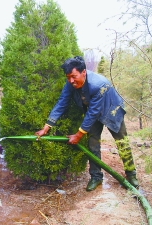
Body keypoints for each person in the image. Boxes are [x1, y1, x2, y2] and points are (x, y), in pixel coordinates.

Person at [35, 56, 139, 191]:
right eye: (68, 77)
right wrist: (47, 127)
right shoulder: (70, 83)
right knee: (93, 144)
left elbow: (93, 112)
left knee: (122, 142)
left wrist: (78, 135)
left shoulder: (98, 84)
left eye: (73, 76)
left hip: (111, 109)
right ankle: (96, 177)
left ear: (83, 72)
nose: (71, 81)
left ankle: (131, 174)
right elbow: (62, 102)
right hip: (93, 111)